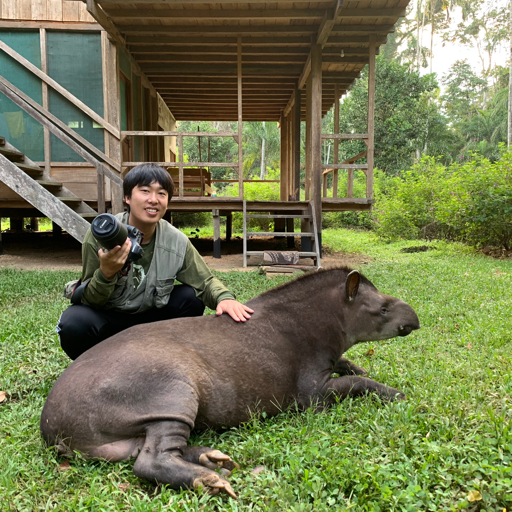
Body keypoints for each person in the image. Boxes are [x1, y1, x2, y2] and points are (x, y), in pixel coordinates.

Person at [57, 163, 253, 360]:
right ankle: (96, 367)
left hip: (151, 320)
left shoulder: (176, 241)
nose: (153, 200)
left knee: (190, 298)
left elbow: (205, 282)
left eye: (161, 193)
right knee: (74, 322)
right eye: (144, 191)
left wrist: (225, 298)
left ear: (168, 201)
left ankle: (162, 359)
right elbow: (90, 300)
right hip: (109, 319)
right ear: (127, 197)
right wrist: (106, 273)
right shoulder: (103, 235)